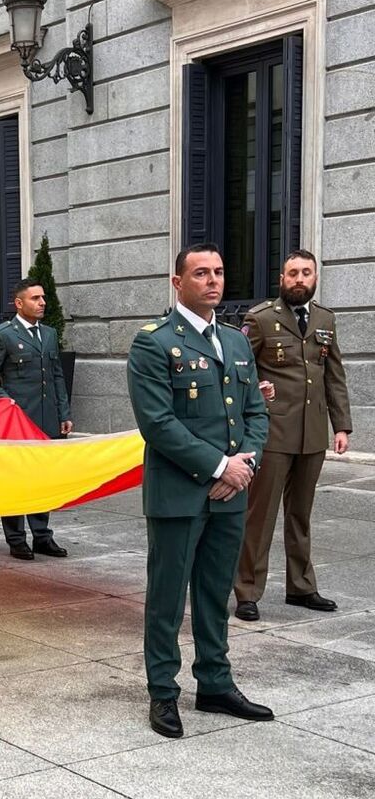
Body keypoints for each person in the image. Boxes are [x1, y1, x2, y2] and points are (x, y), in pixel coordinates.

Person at [127, 243, 273, 739]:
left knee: (214, 595)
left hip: (231, 495)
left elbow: (255, 411)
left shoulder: (234, 341)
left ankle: (214, 683)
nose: (213, 281)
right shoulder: (153, 342)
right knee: (167, 598)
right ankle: (163, 693)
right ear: (178, 282)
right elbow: (158, 424)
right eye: (201, 273)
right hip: (178, 495)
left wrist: (244, 465)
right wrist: (218, 468)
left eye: (219, 271)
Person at [234, 250, 352, 621]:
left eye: (305, 273)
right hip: (273, 432)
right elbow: (240, 371)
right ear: (281, 278)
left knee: (300, 514)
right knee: (261, 515)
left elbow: (334, 375)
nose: (299, 279)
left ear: (315, 277)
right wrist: (255, 392)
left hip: (312, 433)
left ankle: (301, 587)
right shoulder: (261, 318)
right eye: (292, 273)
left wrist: (342, 425)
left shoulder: (325, 320)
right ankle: (248, 591)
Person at [0, 278, 72, 559]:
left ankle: (42, 536)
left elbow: (56, 375)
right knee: (16, 481)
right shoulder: (4, 334)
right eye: (35, 298)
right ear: (19, 303)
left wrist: (63, 414)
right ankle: (16, 538)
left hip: (46, 421)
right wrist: (7, 403)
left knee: (43, 480)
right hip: (18, 422)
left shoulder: (50, 334)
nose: (42, 302)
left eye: (42, 298)